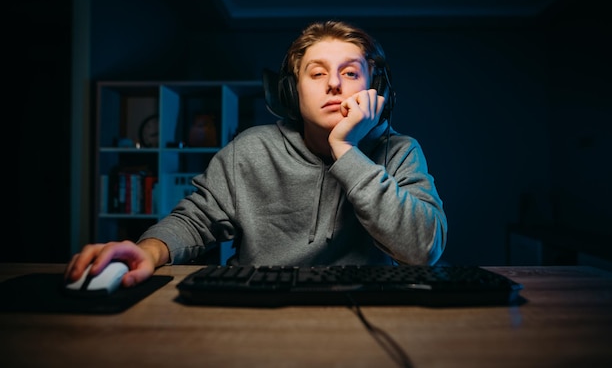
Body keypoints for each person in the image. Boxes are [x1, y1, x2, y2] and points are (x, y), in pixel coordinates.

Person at [65, 20, 448, 288]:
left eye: (350, 73)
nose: (333, 83)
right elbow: (195, 220)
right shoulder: (251, 149)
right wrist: (148, 250)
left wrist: (346, 150)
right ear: (291, 92)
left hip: (367, 312)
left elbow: (422, 249)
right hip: (257, 306)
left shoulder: (399, 151)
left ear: (373, 88)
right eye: (316, 73)